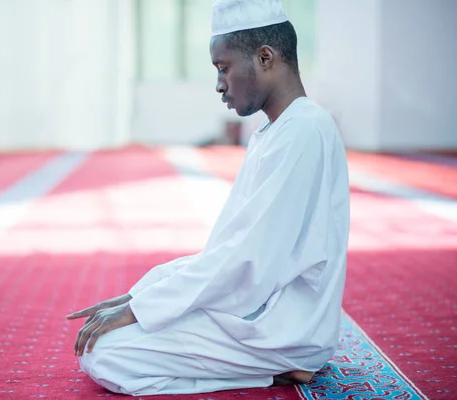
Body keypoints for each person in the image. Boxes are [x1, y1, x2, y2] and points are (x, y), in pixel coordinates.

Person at [66, 0, 350, 395]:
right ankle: (271, 368)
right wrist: (144, 294)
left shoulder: (304, 130)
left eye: (223, 68)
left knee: (106, 352)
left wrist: (142, 307)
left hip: (280, 325)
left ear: (265, 57)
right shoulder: (277, 131)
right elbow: (234, 251)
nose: (219, 85)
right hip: (259, 309)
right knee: (110, 339)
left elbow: (248, 263)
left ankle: (281, 366)